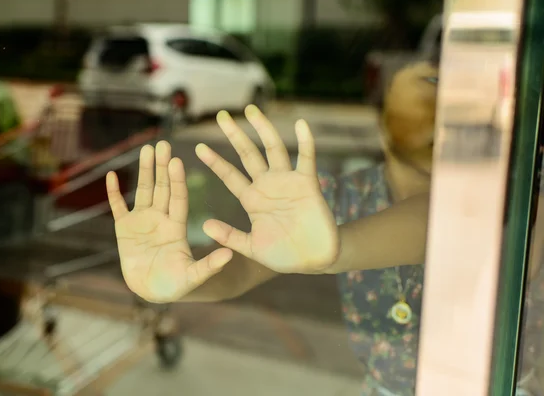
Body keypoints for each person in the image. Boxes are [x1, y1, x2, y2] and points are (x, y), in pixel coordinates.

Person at [105, 60, 543, 394]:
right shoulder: (336, 197)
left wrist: (339, 250)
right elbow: (244, 268)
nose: (438, 99)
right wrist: (181, 285)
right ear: (382, 116)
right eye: (428, 81)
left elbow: (445, 223)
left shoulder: (517, 202)